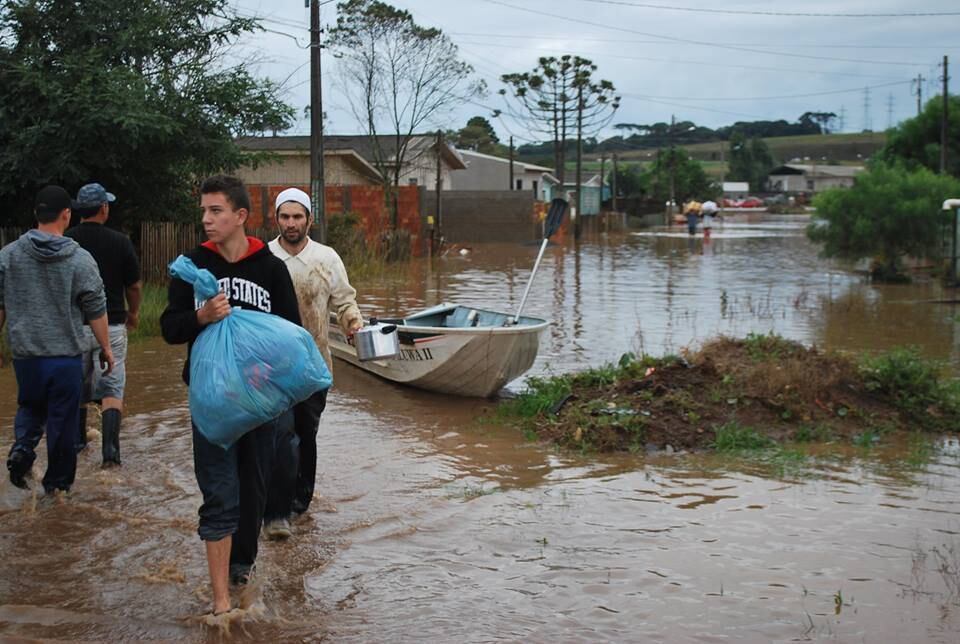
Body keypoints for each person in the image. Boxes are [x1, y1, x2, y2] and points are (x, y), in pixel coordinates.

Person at [160, 175, 303, 615]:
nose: (206, 219)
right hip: (211, 401)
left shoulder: (269, 267)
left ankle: (242, 566)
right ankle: (221, 600)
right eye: (203, 210)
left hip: (260, 404)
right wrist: (201, 316)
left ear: (240, 216)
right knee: (220, 492)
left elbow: (291, 334)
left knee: (253, 489)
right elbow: (169, 328)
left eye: (215, 210)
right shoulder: (191, 264)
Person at [0, 185, 115, 493]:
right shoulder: (80, 259)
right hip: (64, 359)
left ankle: (22, 449)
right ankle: (57, 492)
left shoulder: (8, 256)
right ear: (66, 215)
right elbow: (96, 309)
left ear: (36, 214)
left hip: (25, 357)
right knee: (61, 425)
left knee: (30, 407)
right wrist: (105, 348)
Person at [265, 188, 363, 538]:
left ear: (309, 219)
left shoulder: (327, 258)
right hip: (271, 367)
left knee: (305, 436)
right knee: (279, 435)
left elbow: (345, 302)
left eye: (298, 217)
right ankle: (276, 510)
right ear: (275, 219)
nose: (292, 223)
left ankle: (299, 503)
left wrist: (353, 324)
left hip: (314, 365)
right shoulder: (264, 257)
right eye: (285, 216)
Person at [66, 183, 142, 465]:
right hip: (111, 326)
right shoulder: (120, 241)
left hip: (74, 326)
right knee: (111, 389)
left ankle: (77, 446)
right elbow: (133, 286)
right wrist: (133, 313)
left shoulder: (67, 241)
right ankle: (110, 455)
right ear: (103, 209)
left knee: (77, 387)